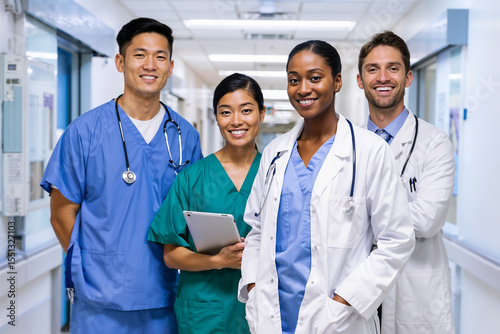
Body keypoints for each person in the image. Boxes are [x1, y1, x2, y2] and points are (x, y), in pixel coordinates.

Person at [238, 40, 415, 334]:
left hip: (339, 319)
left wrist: (344, 301)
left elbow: (397, 240)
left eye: (315, 77)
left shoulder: (369, 151)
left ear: (337, 82)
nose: (303, 88)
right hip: (272, 315)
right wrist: (255, 287)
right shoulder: (275, 152)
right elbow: (257, 231)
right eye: (294, 80)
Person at [40, 17, 203, 333]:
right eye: (140, 54)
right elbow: (61, 215)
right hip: (99, 303)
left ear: (170, 67)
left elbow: (192, 217)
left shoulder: (186, 137)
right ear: (120, 61)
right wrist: (92, 269)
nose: (150, 65)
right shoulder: (84, 132)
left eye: (160, 56)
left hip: (164, 298)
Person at [147, 73, 265, 334]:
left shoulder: (277, 174)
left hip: (263, 306)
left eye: (246, 110)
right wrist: (218, 260)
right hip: (204, 311)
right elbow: (171, 255)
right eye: (225, 112)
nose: (236, 121)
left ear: (262, 114)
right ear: (216, 117)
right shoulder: (191, 178)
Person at [357, 31, 455, 334]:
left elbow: (427, 221)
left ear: (408, 77)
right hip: (360, 292)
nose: (382, 77)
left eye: (393, 68)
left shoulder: (435, 143)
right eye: (373, 69)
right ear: (360, 80)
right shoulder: (347, 146)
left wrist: (360, 212)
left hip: (416, 295)